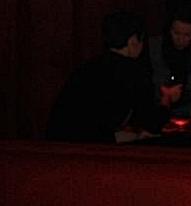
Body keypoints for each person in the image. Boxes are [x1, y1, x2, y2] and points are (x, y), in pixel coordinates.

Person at [46, 10, 177, 143]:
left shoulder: (88, 67)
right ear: (133, 41)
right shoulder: (133, 73)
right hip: (87, 145)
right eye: (142, 40)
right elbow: (152, 122)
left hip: (56, 140)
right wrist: (167, 98)